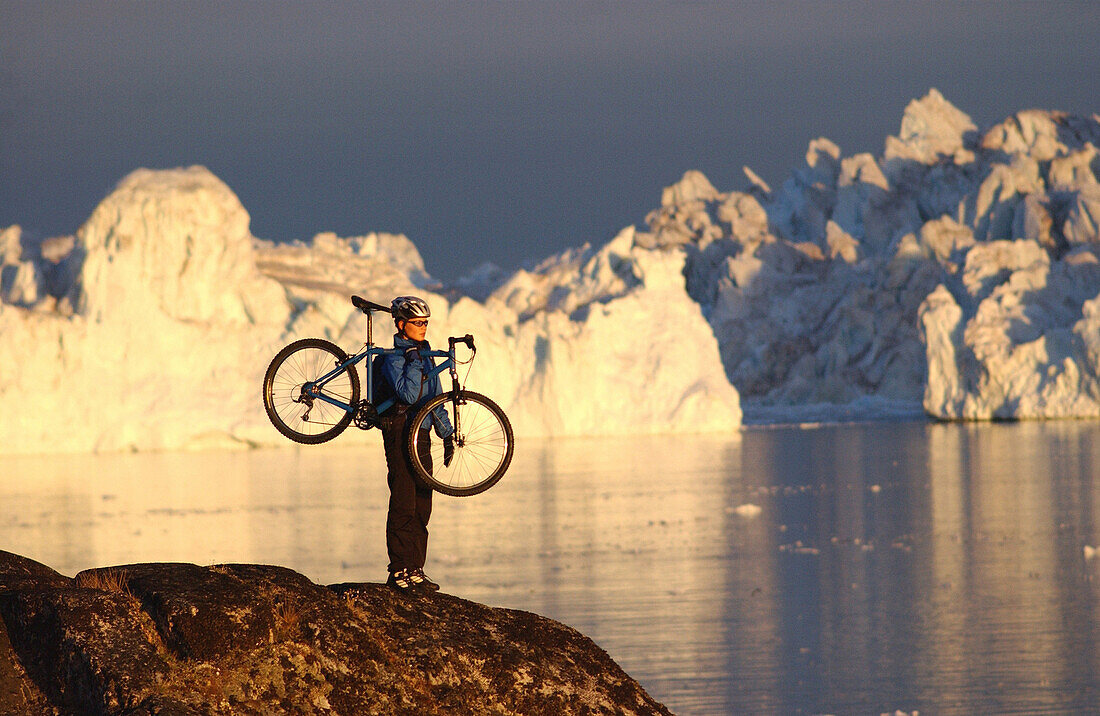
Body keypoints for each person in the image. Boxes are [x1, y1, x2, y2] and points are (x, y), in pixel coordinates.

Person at [377, 295, 454, 593]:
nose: (423, 327)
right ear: (401, 324)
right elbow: (408, 396)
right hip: (398, 431)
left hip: (420, 435)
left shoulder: (425, 355)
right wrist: (412, 360)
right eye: (417, 323)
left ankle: (415, 569)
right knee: (403, 500)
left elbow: (435, 399)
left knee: (423, 502)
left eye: (425, 323)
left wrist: (446, 434)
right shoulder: (392, 358)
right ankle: (398, 571)